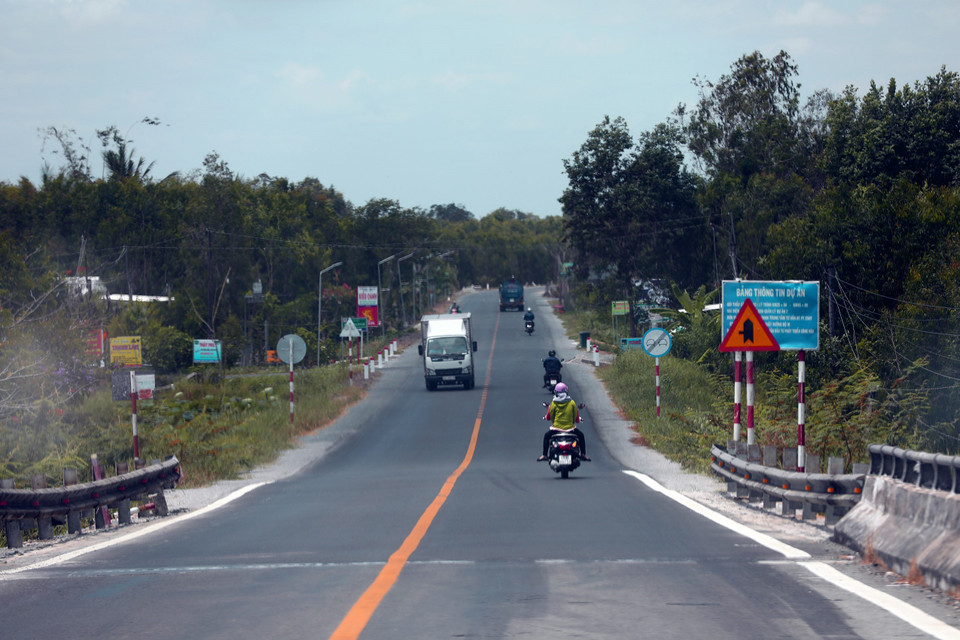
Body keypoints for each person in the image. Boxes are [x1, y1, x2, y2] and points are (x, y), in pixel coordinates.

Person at [538, 383, 589, 461]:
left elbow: (550, 416)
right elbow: (576, 418)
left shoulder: (554, 403)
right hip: (570, 429)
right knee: (581, 436)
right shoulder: (572, 403)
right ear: (566, 392)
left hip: (556, 429)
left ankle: (544, 455)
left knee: (547, 436)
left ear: (556, 392)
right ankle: (583, 454)